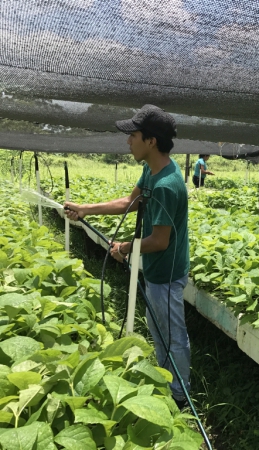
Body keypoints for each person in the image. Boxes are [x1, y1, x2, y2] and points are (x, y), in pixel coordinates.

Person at [64, 105, 191, 409]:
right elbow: (129, 202)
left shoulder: (166, 186)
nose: (127, 141)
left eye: (133, 135)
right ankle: (168, 382)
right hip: (157, 269)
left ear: (151, 141)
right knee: (160, 329)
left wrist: (125, 248)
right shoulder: (152, 169)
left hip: (167, 272)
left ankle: (180, 398)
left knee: (173, 336)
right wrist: (85, 209)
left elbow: (160, 241)